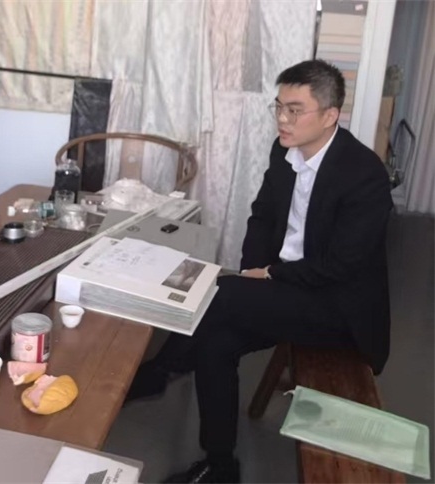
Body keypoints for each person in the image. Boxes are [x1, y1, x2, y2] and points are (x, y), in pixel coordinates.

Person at [129, 59, 393, 483]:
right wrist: (255, 268)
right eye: (279, 107)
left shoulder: (364, 176)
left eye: (295, 110)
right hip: (287, 289)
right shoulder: (283, 150)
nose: (282, 119)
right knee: (215, 342)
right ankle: (220, 466)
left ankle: (162, 370)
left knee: (219, 294)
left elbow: (341, 266)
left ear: (330, 116)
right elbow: (263, 215)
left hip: (337, 308)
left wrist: (269, 276)